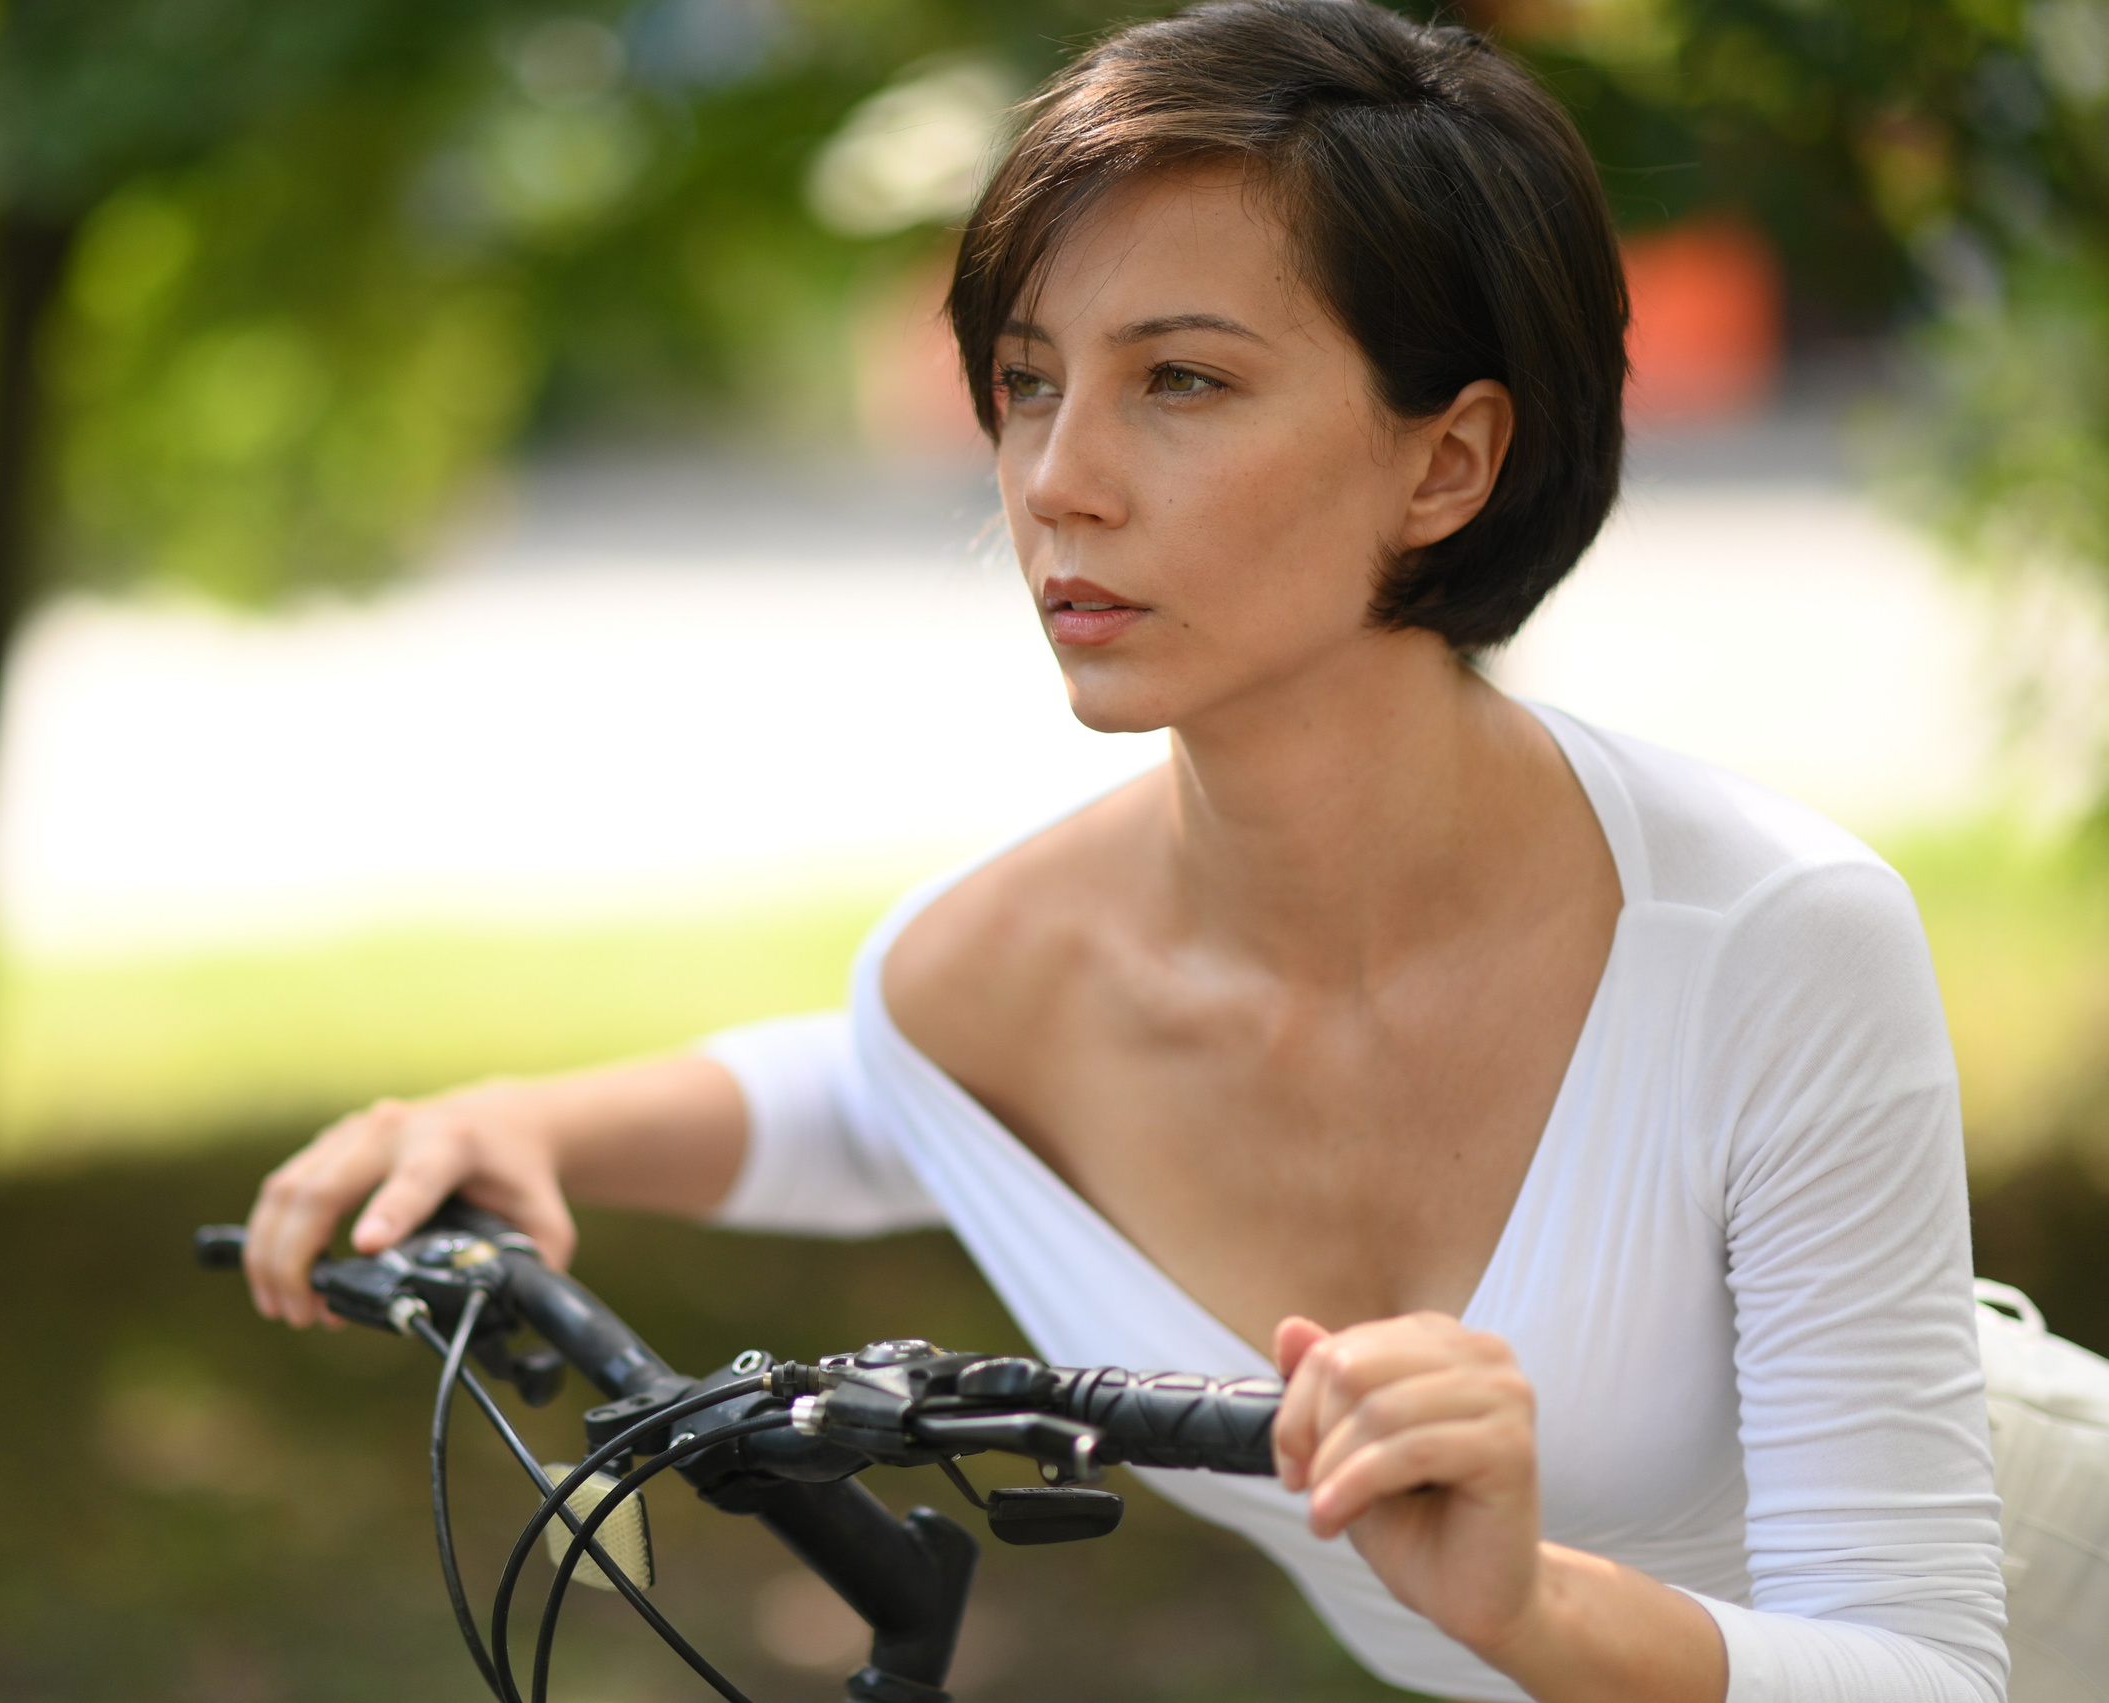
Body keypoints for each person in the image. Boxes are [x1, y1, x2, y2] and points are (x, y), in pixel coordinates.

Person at [241, 4, 2007, 1698]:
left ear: (1449, 461)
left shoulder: (1769, 941)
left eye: (1180, 378)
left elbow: (1932, 1673)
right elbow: (884, 1094)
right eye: (1025, 381)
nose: (1057, 478)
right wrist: (527, 1121)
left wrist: (1535, 1611)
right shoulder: (1000, 970)